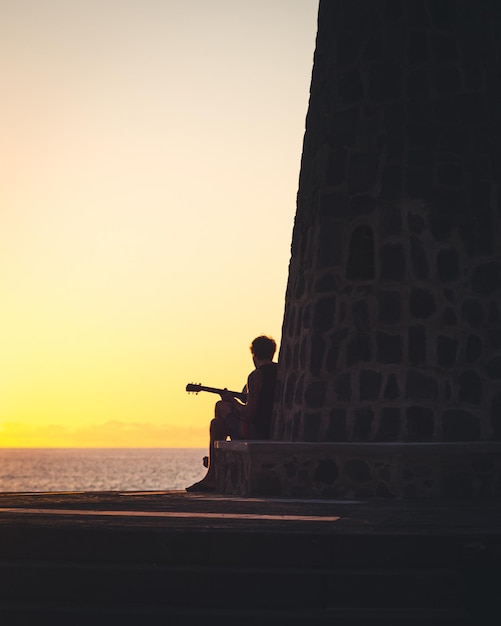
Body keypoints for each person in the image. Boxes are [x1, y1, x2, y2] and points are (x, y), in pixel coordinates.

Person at [186, 335, 278, 493]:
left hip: (256, 431)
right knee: (217, 424)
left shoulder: (256, 376)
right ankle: (213, 470)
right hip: (272, 428)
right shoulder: (280, 371)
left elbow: (249, 413)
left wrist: (232, 402)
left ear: (254, 354)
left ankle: (212, 474)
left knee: (220, 407)